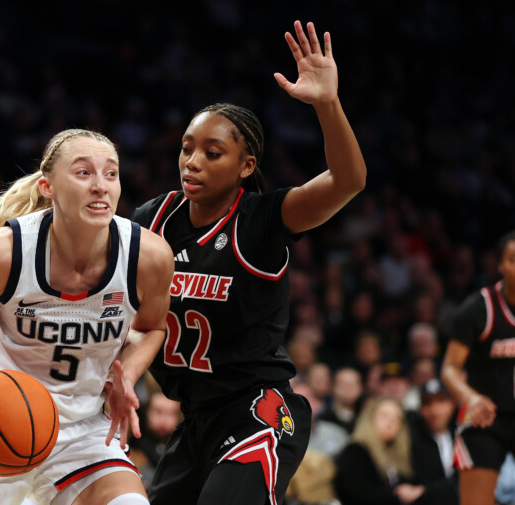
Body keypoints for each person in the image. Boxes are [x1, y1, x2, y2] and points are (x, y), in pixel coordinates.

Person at [130, 20, 366, 505]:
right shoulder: (152, 219)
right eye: (187, 148)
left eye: (212, 153)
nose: (192, 161)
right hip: (192, 418)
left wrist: (326, 103)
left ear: (246, 166)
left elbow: (349, 181)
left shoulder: (260, 219)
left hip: (257, 410)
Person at [0, 129, 174, 505]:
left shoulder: (148, 257)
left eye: (111, 173)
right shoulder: (5, 252)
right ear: (47, 186)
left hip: (82, 431)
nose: (101, 186)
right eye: (83, 172)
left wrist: (129, 376)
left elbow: (152, 327)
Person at [441, 230, 515, 505]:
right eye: (513, 259)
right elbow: (449, 369)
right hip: (486, 416)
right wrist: (471, 397)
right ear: (500, 266)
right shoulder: (477, 309)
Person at [334, 397, 438, 505]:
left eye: (396, 419)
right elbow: (357, 493)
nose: (390, 423)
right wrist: (397, 496)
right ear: (370, 419)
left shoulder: (401, 453)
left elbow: (414, 481)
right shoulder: (356, 451)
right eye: (384, 416)